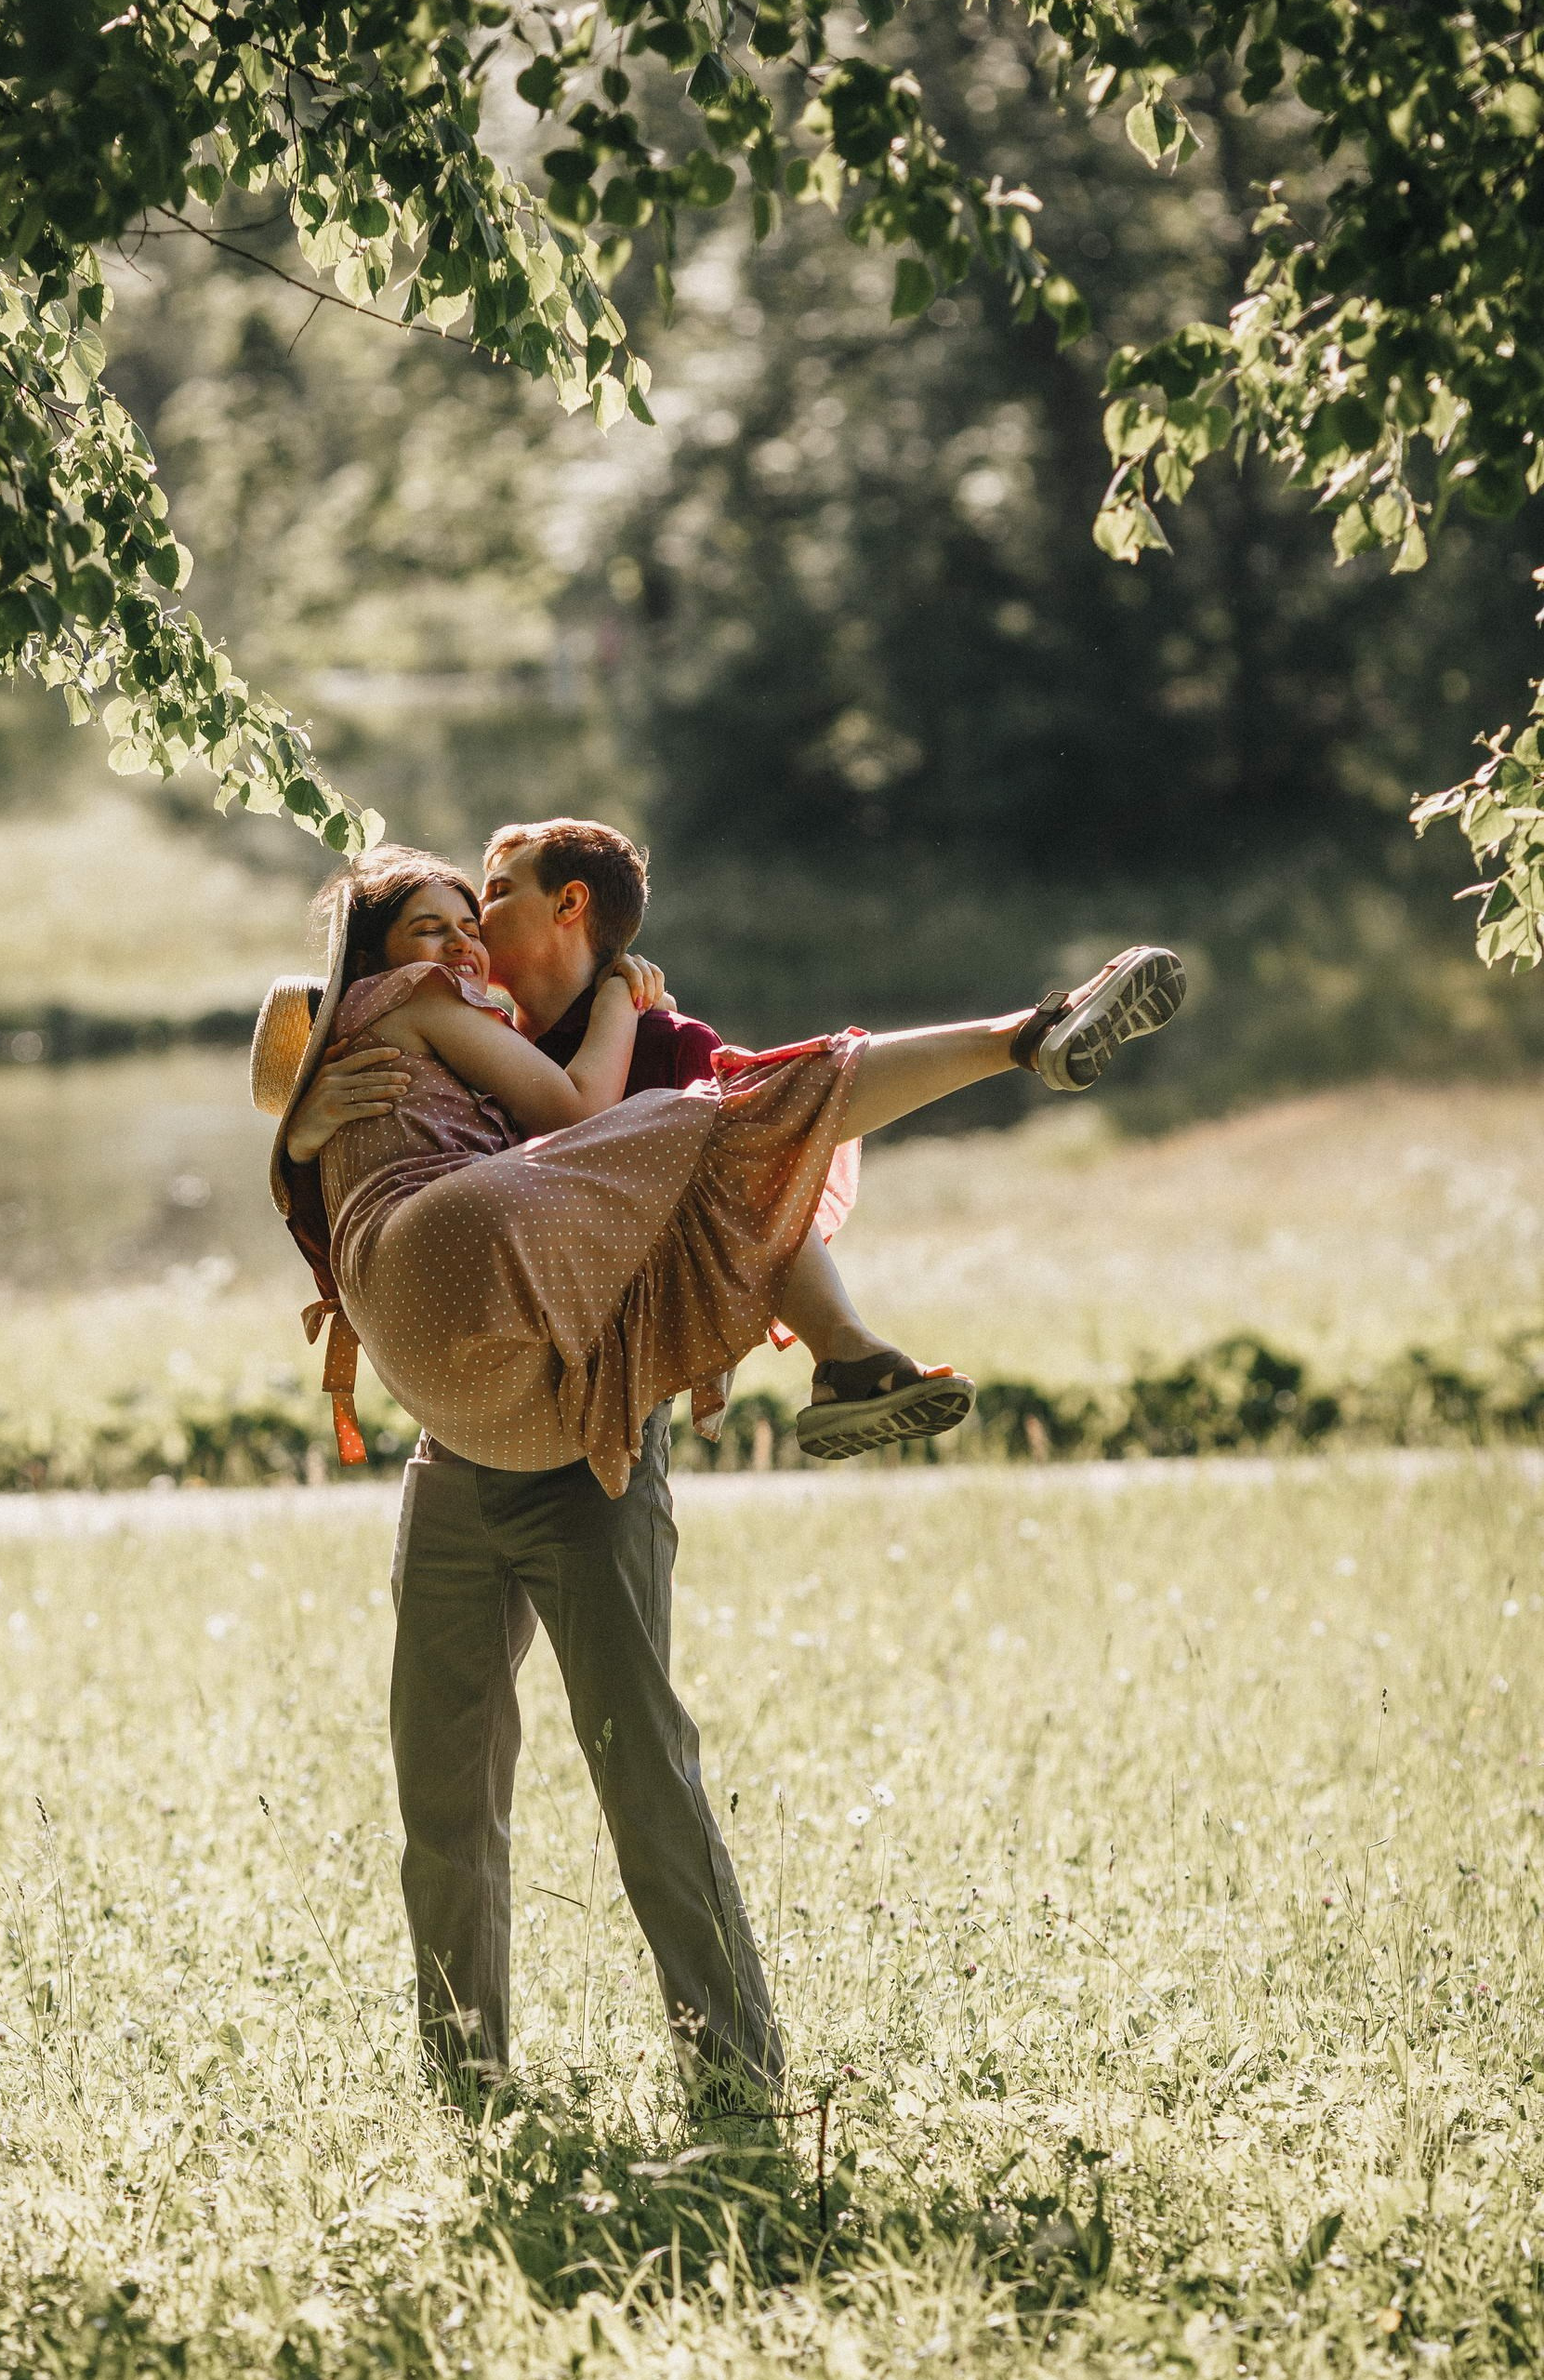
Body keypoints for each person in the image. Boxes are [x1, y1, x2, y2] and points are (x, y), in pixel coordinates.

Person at [253, 824, 1185, 2108]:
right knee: (443, 1787)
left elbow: (686, 1132)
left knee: (640, 1769)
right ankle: (469, 2087)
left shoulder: (625, 1041)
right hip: (458, 1448)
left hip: (585, 1446)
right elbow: (291, 1048)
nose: (469, 938)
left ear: (568, 920)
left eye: (483, 912)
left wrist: (616, 1024)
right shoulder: (460, 1028)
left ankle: (737, 2077)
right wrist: (306, 1115)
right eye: (445, 921)